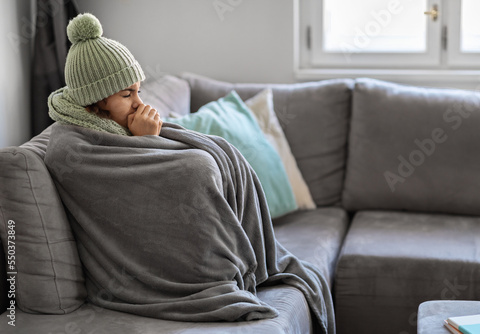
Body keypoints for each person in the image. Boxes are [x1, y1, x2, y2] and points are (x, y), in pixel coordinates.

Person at [45, 13, 335, 334]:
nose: (140, 104)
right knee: (197, 166)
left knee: (216, 151)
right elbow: (142, 186)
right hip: (151, 280)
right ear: (92, 103)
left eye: (139, 91)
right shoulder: (72, 146)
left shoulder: (115, 124)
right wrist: (149, 142)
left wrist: (148, 140)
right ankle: (212, 271)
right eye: (127, 95)